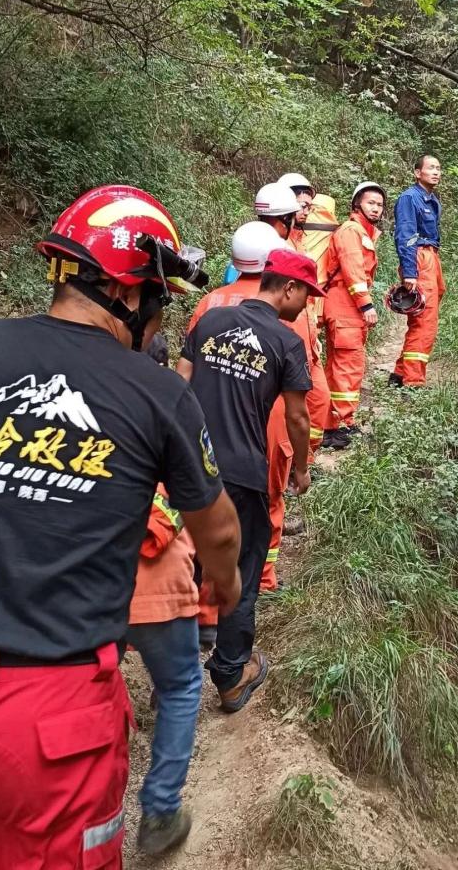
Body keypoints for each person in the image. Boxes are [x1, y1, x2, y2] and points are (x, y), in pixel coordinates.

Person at [0, 184, 242, 870]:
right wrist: (224, 587)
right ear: (131, 288)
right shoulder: (159, 394)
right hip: (49, 716)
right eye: (160, 294)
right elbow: (221, 531)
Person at [177, 249, 325, 713]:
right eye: (306, 294)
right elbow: (298, 417)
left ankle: (173, 666)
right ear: (288, 288)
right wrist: (301, 469)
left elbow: (178, 387)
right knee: (242, 570)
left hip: (187, 465)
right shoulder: (285, 342)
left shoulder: (208, 322)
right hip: (241, 473)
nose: (306, 305)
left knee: (183, 563)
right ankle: (230, 673)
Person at [191, 224, 292, 639]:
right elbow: (302, 373)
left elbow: (190, 360)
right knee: (258, 514)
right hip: (267, 419)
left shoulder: (211, 303)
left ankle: (199, 611)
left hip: (209, 420)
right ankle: (256, 583)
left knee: (203, 512)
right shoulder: (280, 311)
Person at [126, 339, 200, 857]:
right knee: (180, 685)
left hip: (92, 585)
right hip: (160, 585)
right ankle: (159, 810)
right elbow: (199, 506)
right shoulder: (169, 408)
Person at [260, 180, 331, 459]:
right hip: (285, 341)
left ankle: (306, 458)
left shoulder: (298, 243)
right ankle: (294, 463)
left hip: (305, 337)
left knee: (319, 399)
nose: (305, 213)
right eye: (300, 208)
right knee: (288, 408)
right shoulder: (272, 251)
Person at [322, 181, 385, 450]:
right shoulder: (351, 231)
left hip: (347, 308)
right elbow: (352, 270)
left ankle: (333, 422)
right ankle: (339, 426)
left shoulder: (362, 232)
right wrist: (365, 303)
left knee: (340, 367)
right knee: (347, 367)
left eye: (380, 205)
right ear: (357, 204)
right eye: (371, 203)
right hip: (345, 307)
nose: (376, 209)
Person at [391, 154, 445, 388]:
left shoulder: (431, 200)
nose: (436, 172)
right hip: (420, 258)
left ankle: (400, 373)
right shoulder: (409, 198)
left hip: (432, 256)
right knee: (424, 321)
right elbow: (406, 235)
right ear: (417, 173)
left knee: (427, 315)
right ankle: (413, 382)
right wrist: (410, 272)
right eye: (431, 168)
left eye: (438, 168)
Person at [277, 172, 315, 253]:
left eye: (309, 207)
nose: (307, 212)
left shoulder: (300, 237)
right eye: (303, 206)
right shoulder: (274, 240)